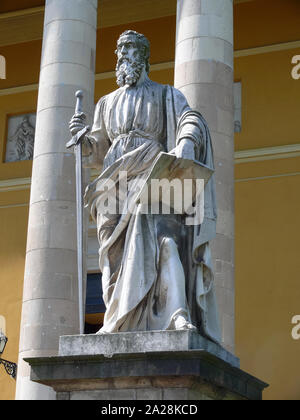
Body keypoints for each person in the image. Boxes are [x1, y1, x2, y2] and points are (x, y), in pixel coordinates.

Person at [69, 30, 221, 343]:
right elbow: (98, 147)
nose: (122, 55)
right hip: (113, 185)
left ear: (144, 57)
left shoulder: (166, 94)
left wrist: (186, 143)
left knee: (164, 242)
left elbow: (190, 118)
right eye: (120, 50)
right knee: (114, 259)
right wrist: (84, 141)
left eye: (129, 49)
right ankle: (118, 317)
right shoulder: (106, 103)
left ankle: (177, 312)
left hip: (155, 177)